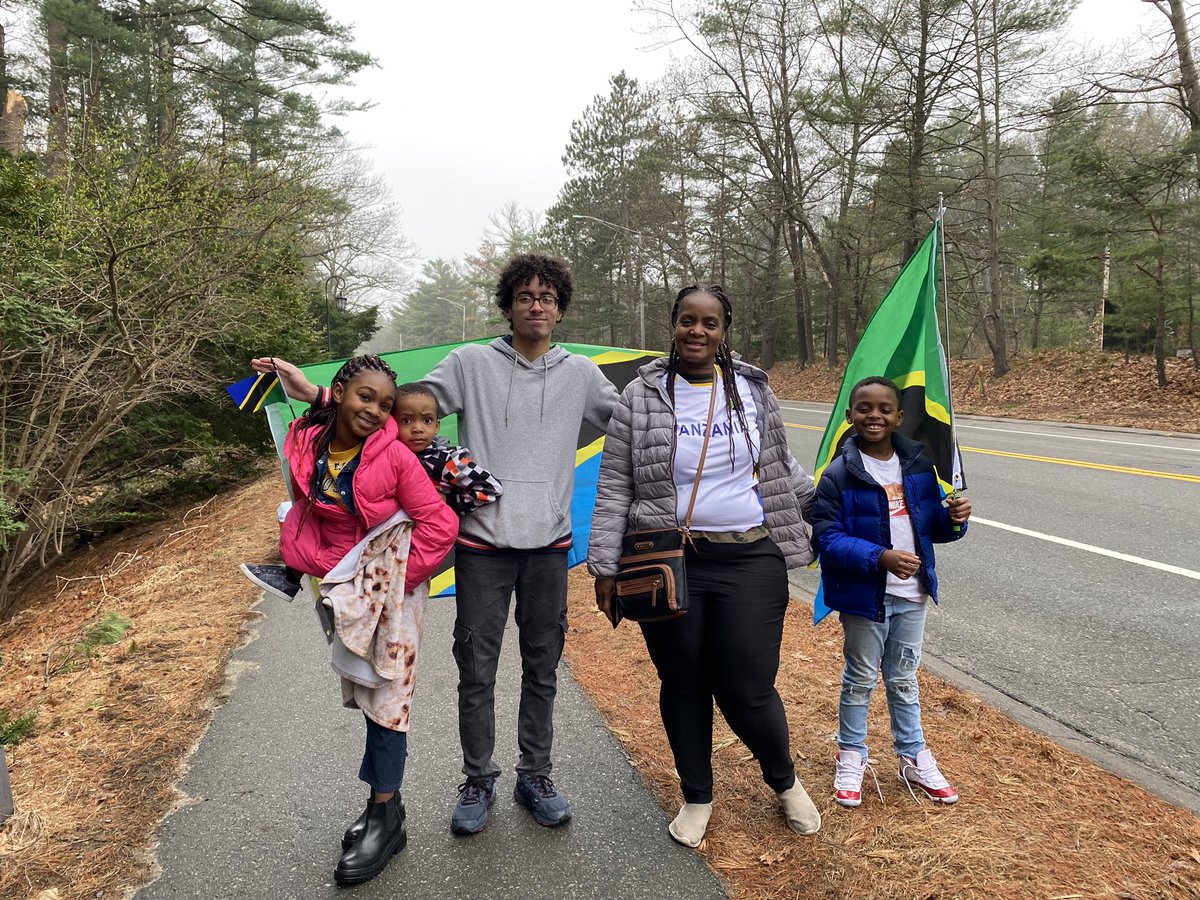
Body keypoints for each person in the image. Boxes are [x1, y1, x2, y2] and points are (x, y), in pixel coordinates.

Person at [255, 253, 619, 835]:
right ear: (508, 305)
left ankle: (536, 774)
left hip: (549, 547)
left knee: (543, 665)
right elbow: (393, 411)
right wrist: (322, 395)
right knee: (475, 669)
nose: (537, 306)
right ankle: (478, 779)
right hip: (481, 549)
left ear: (560, 308)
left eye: (548, 297)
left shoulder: (580, 374)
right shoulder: (471, 363)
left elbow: (631, 423)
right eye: (525, 296)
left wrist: (693, 393)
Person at [587, 284, 822, 849]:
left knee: (747, 683)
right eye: (687, 320)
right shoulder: (640, 396)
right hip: (670, 558)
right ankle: (697, 796)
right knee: (684, 680)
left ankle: (785, 781)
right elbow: (617, 482)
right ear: (673, 325)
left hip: (751, 554)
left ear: (724, 330)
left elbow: (782, 467)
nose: (697, 331)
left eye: (709, 322)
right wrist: (605, 565)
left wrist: (838, 511)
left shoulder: (752, 390)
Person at [275, 354, 458, 884]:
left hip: (389, 591)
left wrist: (393, 584)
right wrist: (309, 391)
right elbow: (319, 418)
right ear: (339, 393)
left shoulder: (395, 458)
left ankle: (385, 818)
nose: (377, 411)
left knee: (388, 699)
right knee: (366, 691)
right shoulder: (309, 441)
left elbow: (440, 525)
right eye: (365, 398)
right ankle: (387, 806)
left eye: (385, 405)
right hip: (339, 589)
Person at [809, 376, 972, 809]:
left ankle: (913, 754)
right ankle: (852, 754)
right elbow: (826, 536)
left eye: (884, 409)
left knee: (903, 679)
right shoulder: (839, 474)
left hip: (912, 594)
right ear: (850, 416)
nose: (874, 416)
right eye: (864, 408)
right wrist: (880, 557)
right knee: (860, 678)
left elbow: (932, 528)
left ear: (899, 416)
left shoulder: (918, 465)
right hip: (866, 596)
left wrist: (954, 517)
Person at [239, 381, 501, 601]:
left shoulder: (445, 460)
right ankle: (294, 577)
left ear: (437, 426)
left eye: (427, 420)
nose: (418, 428)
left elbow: (488, 488)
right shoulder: (383, 449)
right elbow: (353, 408)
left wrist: (446, 501)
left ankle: (348, 596)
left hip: (413, 533)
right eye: (406, 420)